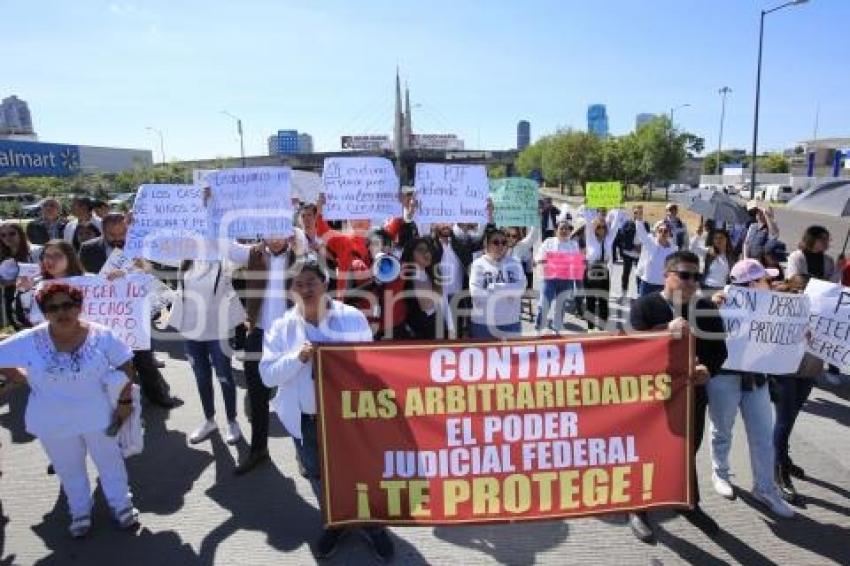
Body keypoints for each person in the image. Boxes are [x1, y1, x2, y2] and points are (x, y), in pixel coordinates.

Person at [259, 259, 395, 561]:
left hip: (348, 418)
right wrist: (298, 357)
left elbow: (370, 366)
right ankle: (336, 523)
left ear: (326, 284)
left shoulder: (353, 319)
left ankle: (373, 526)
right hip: (306, 420)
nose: (305, 289)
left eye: (312, 282)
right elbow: (267, 375)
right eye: (298, 284)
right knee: (319, 475)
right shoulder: (281, 327)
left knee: (360, 473)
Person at [0, 283, 139, 537]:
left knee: (110, 462)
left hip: (99, 416)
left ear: (79, 306)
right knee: (68, 468)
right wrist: (20, 376)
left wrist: (124, 402)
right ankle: (80, 511)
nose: (61, 312)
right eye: (52, 307)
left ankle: (122, 505)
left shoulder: (101, 335)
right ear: (44, 311)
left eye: (68, 305)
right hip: (53, 421)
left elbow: (126, 365)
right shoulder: (31, 339)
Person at [628, 251, 727, 542]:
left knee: (687, 450)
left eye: (696, 276)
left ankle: (686, 501)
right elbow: (630, 351)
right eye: (684, 275)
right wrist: (662, 332)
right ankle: (637, 507)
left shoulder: (706, 308)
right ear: (666, 275)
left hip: (692, 396)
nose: (691, 282)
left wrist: (707, 369)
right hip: (653, 398)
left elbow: (719, 352)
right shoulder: (645, 306)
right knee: (649, 452)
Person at [707, 259, 794, 518]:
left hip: (757, 378)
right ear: (752, 284)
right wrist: (713, 309)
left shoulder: (772, 307)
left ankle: (765, 488)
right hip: (725, 377)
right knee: (722, 429)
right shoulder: (721, 304)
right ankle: (720, 473)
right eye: (765, 279)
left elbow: (785, 338)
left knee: (763, 436)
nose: (770, 283)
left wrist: (800, 335)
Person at [78, 213, 181, 409]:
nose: (118, 238)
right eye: (112, 234)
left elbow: (150, 270)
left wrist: (136, 267)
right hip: (104, 313)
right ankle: (110, 400)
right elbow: (83, 277)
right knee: (107, 359)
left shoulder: (138, 245)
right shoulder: (88, 248)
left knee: (144, 356)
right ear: (103, 231)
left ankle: (158, 396)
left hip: (134, 312)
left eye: (122, 233)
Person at [228, 231, 306, 475]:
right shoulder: (254, 253)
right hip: (259, 335)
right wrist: (211, 209)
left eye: (280, 231)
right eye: (270, 231)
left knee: (295, 396)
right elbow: (224, 246)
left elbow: (310, 263)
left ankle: (303, 454)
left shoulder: (299, 254)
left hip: (290, 337)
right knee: (257, 395)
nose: (275, 238)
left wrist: (300, 248)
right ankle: (259, 450)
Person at [168, 257, 245, 445]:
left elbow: (245, 255)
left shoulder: (224, 260)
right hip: (192, 331)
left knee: (224, 376)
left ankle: (232, 421)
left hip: (218, 331)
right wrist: (138, 266)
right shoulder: (184, 261)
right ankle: (209, 420)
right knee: (201, 377)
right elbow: (154, 257)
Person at [770, 275, 821, 503]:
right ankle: (778, 469)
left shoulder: (821, 309)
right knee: (783, 419)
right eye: (800, 289)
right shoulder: (781, 302)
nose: (804, 294)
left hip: (809, 369)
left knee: (791, 418)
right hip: (785, 370)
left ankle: (783, 458)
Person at [786, 225, 846, 383]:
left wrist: (838, 269)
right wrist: (819, 284)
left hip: (819, 310)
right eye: (824, 239)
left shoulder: (828, 260)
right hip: (800, 306)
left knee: (814, 344)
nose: (827, 243)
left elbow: (832, 286)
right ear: (812, 239)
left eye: (828, 239)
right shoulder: (796, 257)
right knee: (798, 342)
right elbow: (794, 281)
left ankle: (809, 374)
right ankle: (791, 372)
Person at [468, 227, 526, 339]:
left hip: (511, 323)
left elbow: (520, 289)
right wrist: (508, 292)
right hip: (483, 324)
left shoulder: (515, 263)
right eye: (496, 242)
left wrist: (493, 288)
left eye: (504, 243)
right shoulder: (478, 264)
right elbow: (476, 294)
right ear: (487, 245)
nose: (501, 246)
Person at [535, 218, 581, 331]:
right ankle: (539, 327)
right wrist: (542, 261)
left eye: (567, 229)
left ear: (570, 231)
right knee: (544, 304)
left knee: (560, 306)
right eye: (561, 228)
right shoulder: (548, 242)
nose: (564, 230)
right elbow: (539, 257)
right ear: (556, 230)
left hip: (566, 280)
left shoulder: (573, 244)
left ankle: (557, 329)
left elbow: (577, 264)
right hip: (549, 278)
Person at [400, 237, 450, 339]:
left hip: (438, 328)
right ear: (410, 253)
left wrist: (450, 328)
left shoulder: (432, 274)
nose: (426, 254)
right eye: (420, 250)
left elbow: (443, 303)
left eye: (428, 250)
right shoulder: (404, 278)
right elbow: (426, 306)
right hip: (418, 334)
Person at [583, 209, 624, 329]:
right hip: (590, 272)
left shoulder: (609, 239)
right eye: (599, 227)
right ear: (594, 228)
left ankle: (602, 327)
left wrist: (618, 208)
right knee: (590, 300)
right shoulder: (590, 238)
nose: (601, 229)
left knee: (603, 301)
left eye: (603, 227)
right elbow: (588, 221)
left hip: (604, 273)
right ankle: (590, 327)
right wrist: (587, 206)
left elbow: (615, 225)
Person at [0, 222, 42, 329]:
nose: (7, 238)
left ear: (21, 234)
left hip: (35, 297)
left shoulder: (37, 251)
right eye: (3, 235)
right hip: (11, 298)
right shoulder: (3, 254)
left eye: (12, 233)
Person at [634, 208, 677, 297]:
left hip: (663, 285)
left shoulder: (673, 249)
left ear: (669, 233)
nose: (663, 233)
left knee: (659, 309)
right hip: (647, 283)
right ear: (656, 232)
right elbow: (641, 233)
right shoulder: (650, 243)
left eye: (665, 231)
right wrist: (638, 219)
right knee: (644, 309)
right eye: (660, 231)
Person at [690, 226, 736, 292]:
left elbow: (732, 275)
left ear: (726, 240)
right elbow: (692, 248)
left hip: (721, 290)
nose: (718, 240)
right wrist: (698, 235)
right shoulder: (708, 251)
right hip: (706, 287)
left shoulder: (730, 256)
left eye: (721, 238)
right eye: (716, 238)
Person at [615, 206, 648, 297]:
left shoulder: (645, 224)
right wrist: (632, 246)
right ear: (633, 213)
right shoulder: (627, 223)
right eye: (636, 212)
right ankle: (624, 292)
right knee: (626, 273)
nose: (638, 214)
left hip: (640, 254)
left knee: (640, 273)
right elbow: (621, 237)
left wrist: (641, 247)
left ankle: (639, 292)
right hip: (628, 253)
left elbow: (648, 239)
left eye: (640, 212)